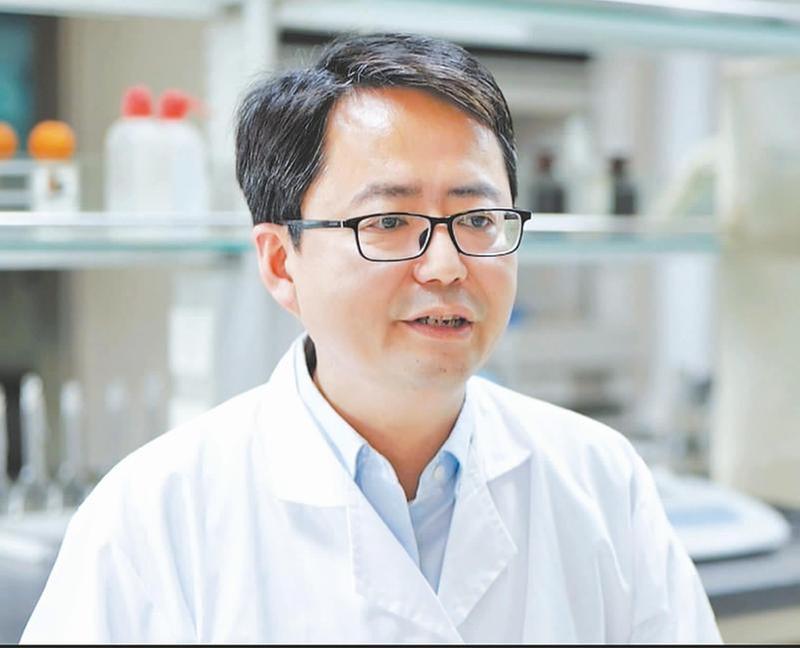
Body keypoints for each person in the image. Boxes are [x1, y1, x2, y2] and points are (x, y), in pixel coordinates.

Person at [21, 33, 721, 643]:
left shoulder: (600, 480)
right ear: (280, 262)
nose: (446, 265)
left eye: (478, 220)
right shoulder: (152, 516)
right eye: (387, 223)